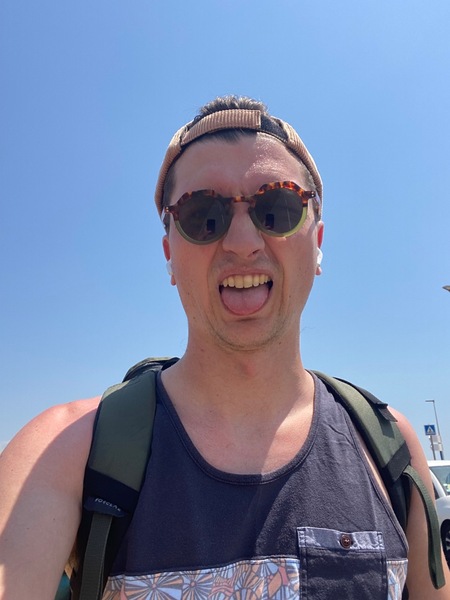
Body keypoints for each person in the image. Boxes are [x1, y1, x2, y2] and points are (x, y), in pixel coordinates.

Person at [0, 95, 448, 600]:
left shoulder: (389, 446)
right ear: (170, 254)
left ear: (317, 241)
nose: (242, 241)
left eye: (277, 208)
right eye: (203, 214)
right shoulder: (63, 453)